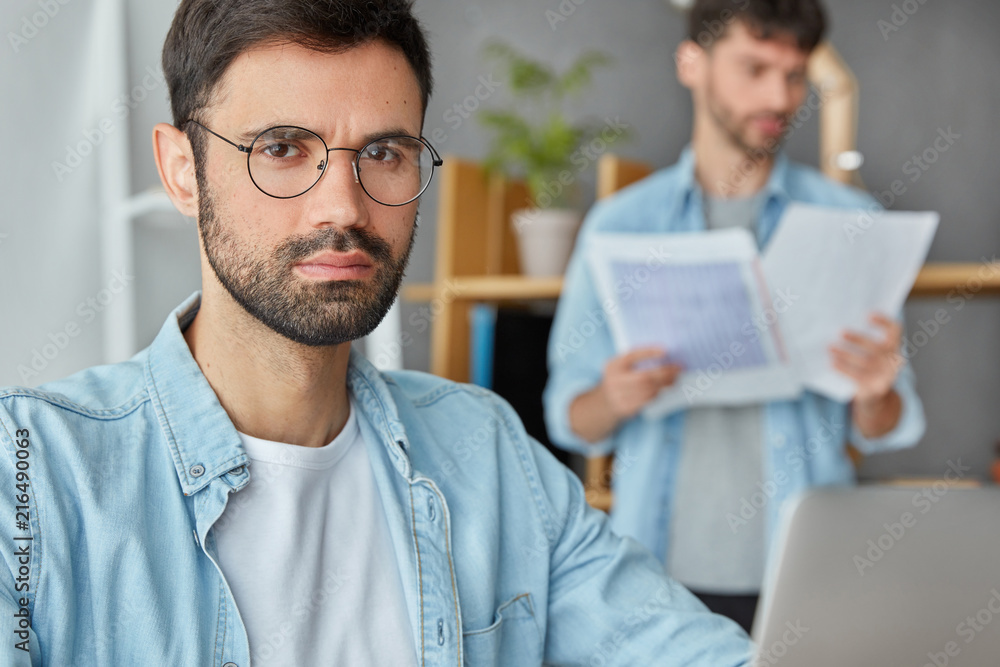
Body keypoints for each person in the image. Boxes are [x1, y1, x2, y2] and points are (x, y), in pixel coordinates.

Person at [0, 1, 755, 664]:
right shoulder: (31, 471)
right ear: (181, 170)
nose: (343, 207)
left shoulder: (486, 452)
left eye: (384, 154)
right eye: (282, 149)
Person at [544, 0, 926, 634]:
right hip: (656, 576)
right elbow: (572, 417)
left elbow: (886, 425)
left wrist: (875, 393)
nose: (780, 95)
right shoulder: (621, 226)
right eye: (754, 69)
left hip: (808, 574)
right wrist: (613, 396)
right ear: (692, 63)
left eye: (795, 73)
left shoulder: (852, 222)